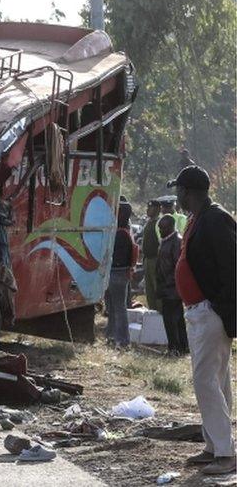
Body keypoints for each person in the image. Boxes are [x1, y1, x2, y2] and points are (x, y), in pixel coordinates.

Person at [168, 165, 236, 475]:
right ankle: (214, 446)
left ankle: (225, 452)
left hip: (211, 311)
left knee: (205, 381)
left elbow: (231, 269)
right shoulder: (199, 219)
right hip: (200, 311)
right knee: (216, 380)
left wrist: (223, 308)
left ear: (187, 192)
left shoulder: (216, 219)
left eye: (179, 191)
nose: (177, 196)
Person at [105, 199, 136, 348]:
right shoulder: (125, 233)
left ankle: (123, 340)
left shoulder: (119, 235)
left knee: (118, 308)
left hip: (116, 273)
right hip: (119, 274)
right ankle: (111, 336)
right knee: (113, 307)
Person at [155, 214, 187, 355]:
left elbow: (177, 268)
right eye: (160, 228)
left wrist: (169, 284)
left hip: (172, 289)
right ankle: (181, 346)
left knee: (172, 320)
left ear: (171, 227)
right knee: (176, 318)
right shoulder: (166, 240)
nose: (161, 231)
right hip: (166, 288)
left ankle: (175, 348)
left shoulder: (176, 242)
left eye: (163, 228)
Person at [141, 200, 162, 314]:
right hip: (147, 260)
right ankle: (153, 313)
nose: (148, 210)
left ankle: (161, 315)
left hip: (156, 260)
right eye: (148, 207)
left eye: (151, 208)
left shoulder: (159, 223)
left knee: (157, 288)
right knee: (149, 290)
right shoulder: (149, 222)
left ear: (158, 209)